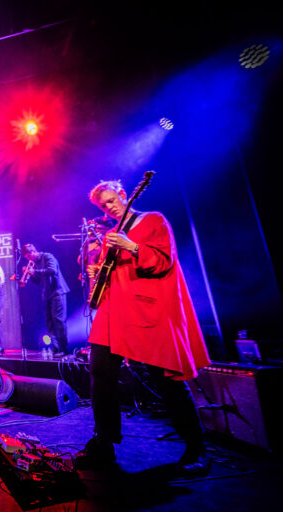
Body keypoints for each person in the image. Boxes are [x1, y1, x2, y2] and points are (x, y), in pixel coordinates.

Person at [77, 179, 211, 477]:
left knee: (166, 378)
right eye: (103, 206)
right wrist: (97, 271)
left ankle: (196, 447)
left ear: (123, 194)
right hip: (113, 313)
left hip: (146, 308)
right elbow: (109, 274)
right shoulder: (111, 233)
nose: (108, 208)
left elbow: (165, 262)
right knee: (100, 371)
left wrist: (133, 246)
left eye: (111, 201)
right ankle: (104, 442)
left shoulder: (152, 220)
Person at [21, 243, 70, 357]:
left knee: (58, 321)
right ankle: (56, 348)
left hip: (58, 292)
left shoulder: (47, 257)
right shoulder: (35, 263)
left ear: (33, 251)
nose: (28, 259)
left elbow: (52, 270)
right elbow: (38, 281)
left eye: (29, 256)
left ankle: (64, 348)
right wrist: (31, 274)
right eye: (27, 258)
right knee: (50, 322)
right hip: (46, 294)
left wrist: (35, 271)